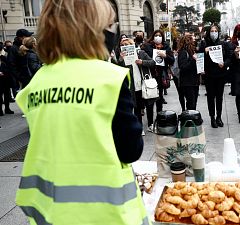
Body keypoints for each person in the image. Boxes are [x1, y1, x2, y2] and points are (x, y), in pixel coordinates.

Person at [14, 1, 149, 224]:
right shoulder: (108, 78)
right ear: (92, 30)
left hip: (51, 213)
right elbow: (130, 150)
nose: (112, 31)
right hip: (106, 214)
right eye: (110, 25)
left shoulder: (37, 82)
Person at [199, 24, 231, 128]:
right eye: (212, 31)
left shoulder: (223, 44)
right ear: (209, 33)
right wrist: (204, 51)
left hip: (220, 74)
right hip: (209, 75)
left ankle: (219, 117)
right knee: (211, 97)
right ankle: (212, 117)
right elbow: (199, 56)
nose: (214, 33)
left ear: (218, 32)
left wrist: (224, 64)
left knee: (219, 97)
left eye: (215, 31)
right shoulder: (204, 43)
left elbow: (229, 58)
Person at [143, 30, 175, 110]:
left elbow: (172, 60)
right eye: (156, 35)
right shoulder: (148, 46)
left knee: (159, 98)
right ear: (153, 37)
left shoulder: (166, 46)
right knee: (150, 99)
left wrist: (165, 56)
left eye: (160, 35)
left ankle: (159, 117)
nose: (158, 37)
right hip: (150, 75)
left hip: (161, 75)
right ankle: (150, 121)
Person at [177, 35, 200, 110]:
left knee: (193, 102)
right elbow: (183, 67)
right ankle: (189, 118)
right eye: (192, 41)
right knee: (191, 103)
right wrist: (193, 60)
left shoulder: (192, 52)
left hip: (194, 81)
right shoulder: (183, 52)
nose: (194, 43)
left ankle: (192, 118)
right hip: (187, 82)